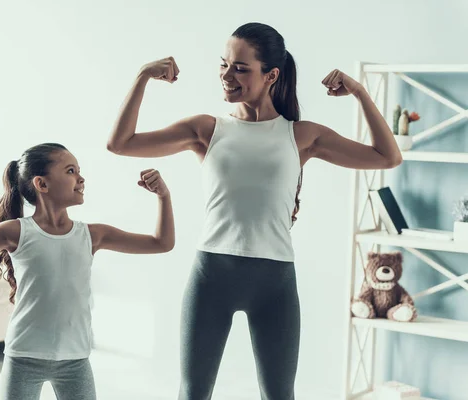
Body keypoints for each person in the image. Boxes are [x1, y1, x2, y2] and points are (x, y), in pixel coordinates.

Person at [107, 22, 401, 400]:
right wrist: (142, 77)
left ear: (271, 75)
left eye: (241, 68)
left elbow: (387, 157)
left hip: (274, 283)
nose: (227, 75)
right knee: (193, 392)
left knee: (280, 395)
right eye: (224, 64)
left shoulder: (302, 136)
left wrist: (359, 92)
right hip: (211, 277)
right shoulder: (206, 130)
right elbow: (120, 143)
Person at [0, 143, 175, 400]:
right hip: (24, 357)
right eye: (71, 171)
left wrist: (164, 196)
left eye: (79, 171)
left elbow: (162, 243)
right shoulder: (15, 232)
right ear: (42, 184)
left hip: (75, 360)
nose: (81, 178)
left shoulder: (93, 235)